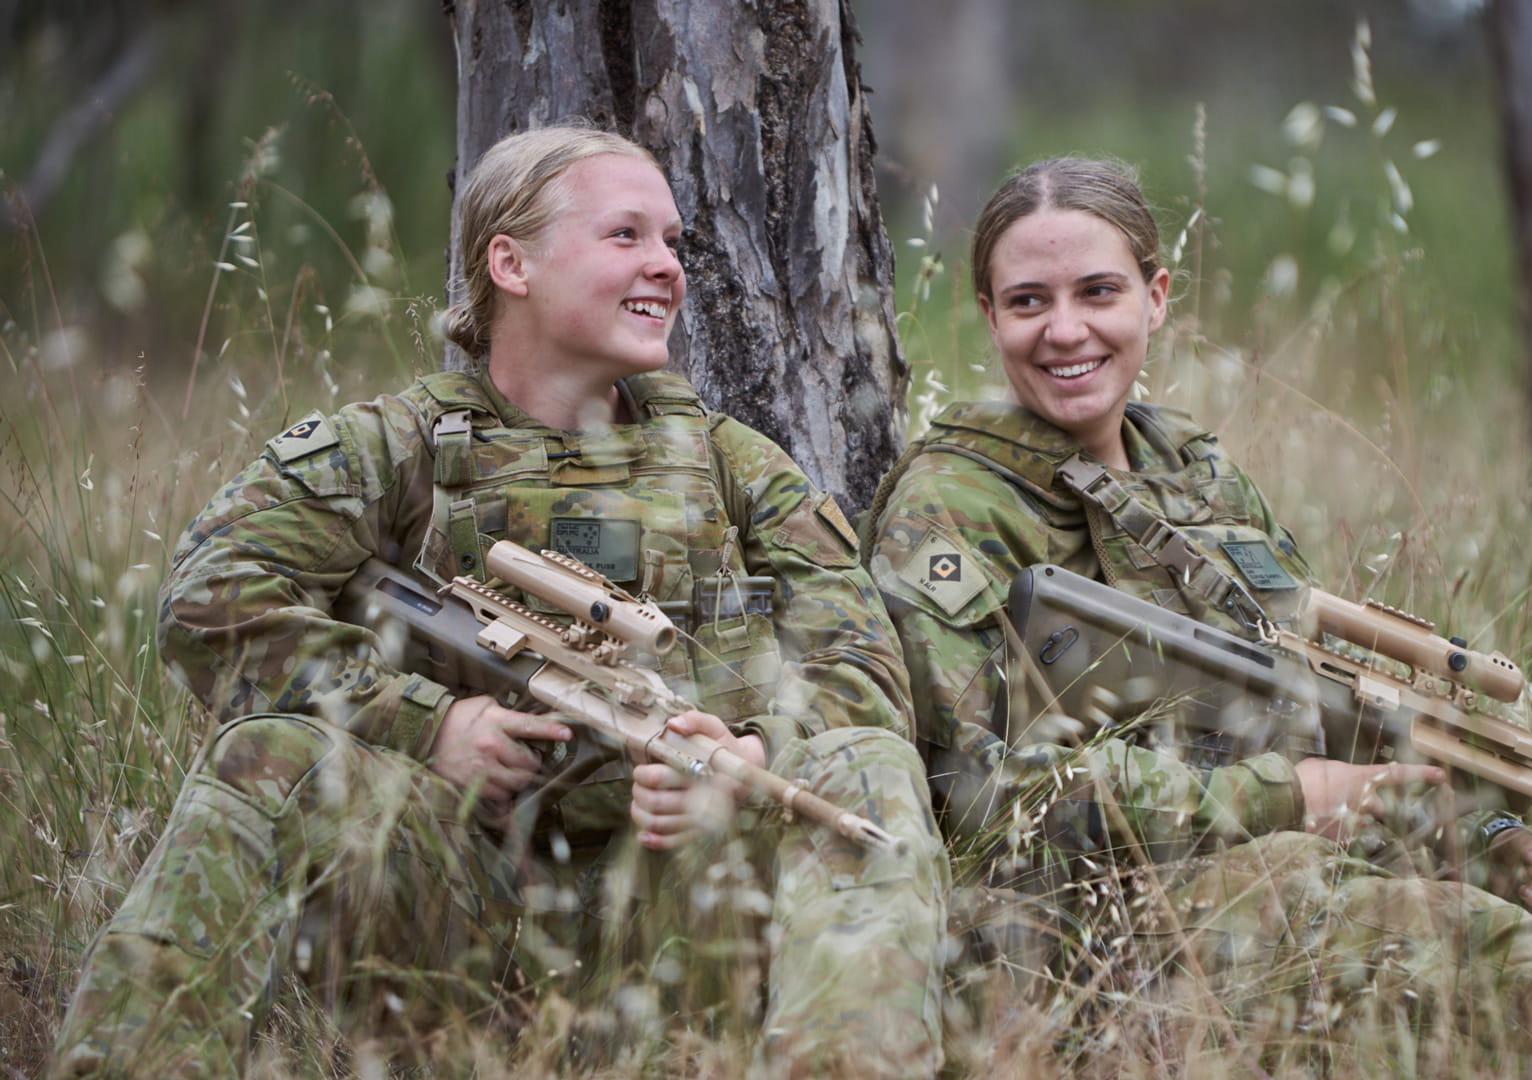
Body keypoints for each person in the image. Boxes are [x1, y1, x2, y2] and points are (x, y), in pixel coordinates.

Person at [861, 156, 1532, 1076]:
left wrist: (1479, 824)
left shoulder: (1191, 469)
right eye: (1028, 301)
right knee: (1452, 941)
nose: (1066, 330)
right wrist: (1289, 799)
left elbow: (1319, 704)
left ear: (1159, 295)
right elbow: (973, 792)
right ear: (989, 314)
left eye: (1098, 291)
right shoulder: (950, 509)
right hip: (1093, 913)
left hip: (1287, 834)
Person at [49, 124, 946, 1079]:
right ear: (509, 263)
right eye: (625, 236)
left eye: (674, 242)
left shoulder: (731, 465)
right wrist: (428, 724)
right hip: (460, 920)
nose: (667, 267)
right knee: (267, 758)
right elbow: (208, 605)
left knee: (866, 768)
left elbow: (867, 675)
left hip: (688, 919)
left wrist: (746, 755)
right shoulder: (387, 451)